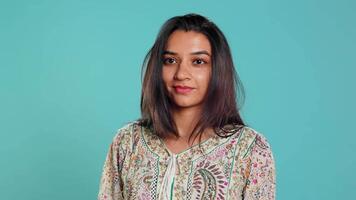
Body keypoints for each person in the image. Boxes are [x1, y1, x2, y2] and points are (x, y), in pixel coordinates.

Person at [97, 13, 276, 200]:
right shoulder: (127, 142)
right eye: (170, 60)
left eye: (198, 62)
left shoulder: (249, 149)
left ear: (218, 69)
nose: (182, 74)